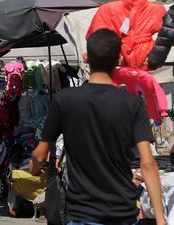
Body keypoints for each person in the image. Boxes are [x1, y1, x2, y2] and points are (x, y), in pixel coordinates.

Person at [30, 29, 165, 225]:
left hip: (82, 214)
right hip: (122, 213)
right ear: (119, 60)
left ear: (86, 58)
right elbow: (147, 163)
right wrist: (160, 218)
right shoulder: (132, 103)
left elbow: (40, 155)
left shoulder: (65, 100)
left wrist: (34, 166)